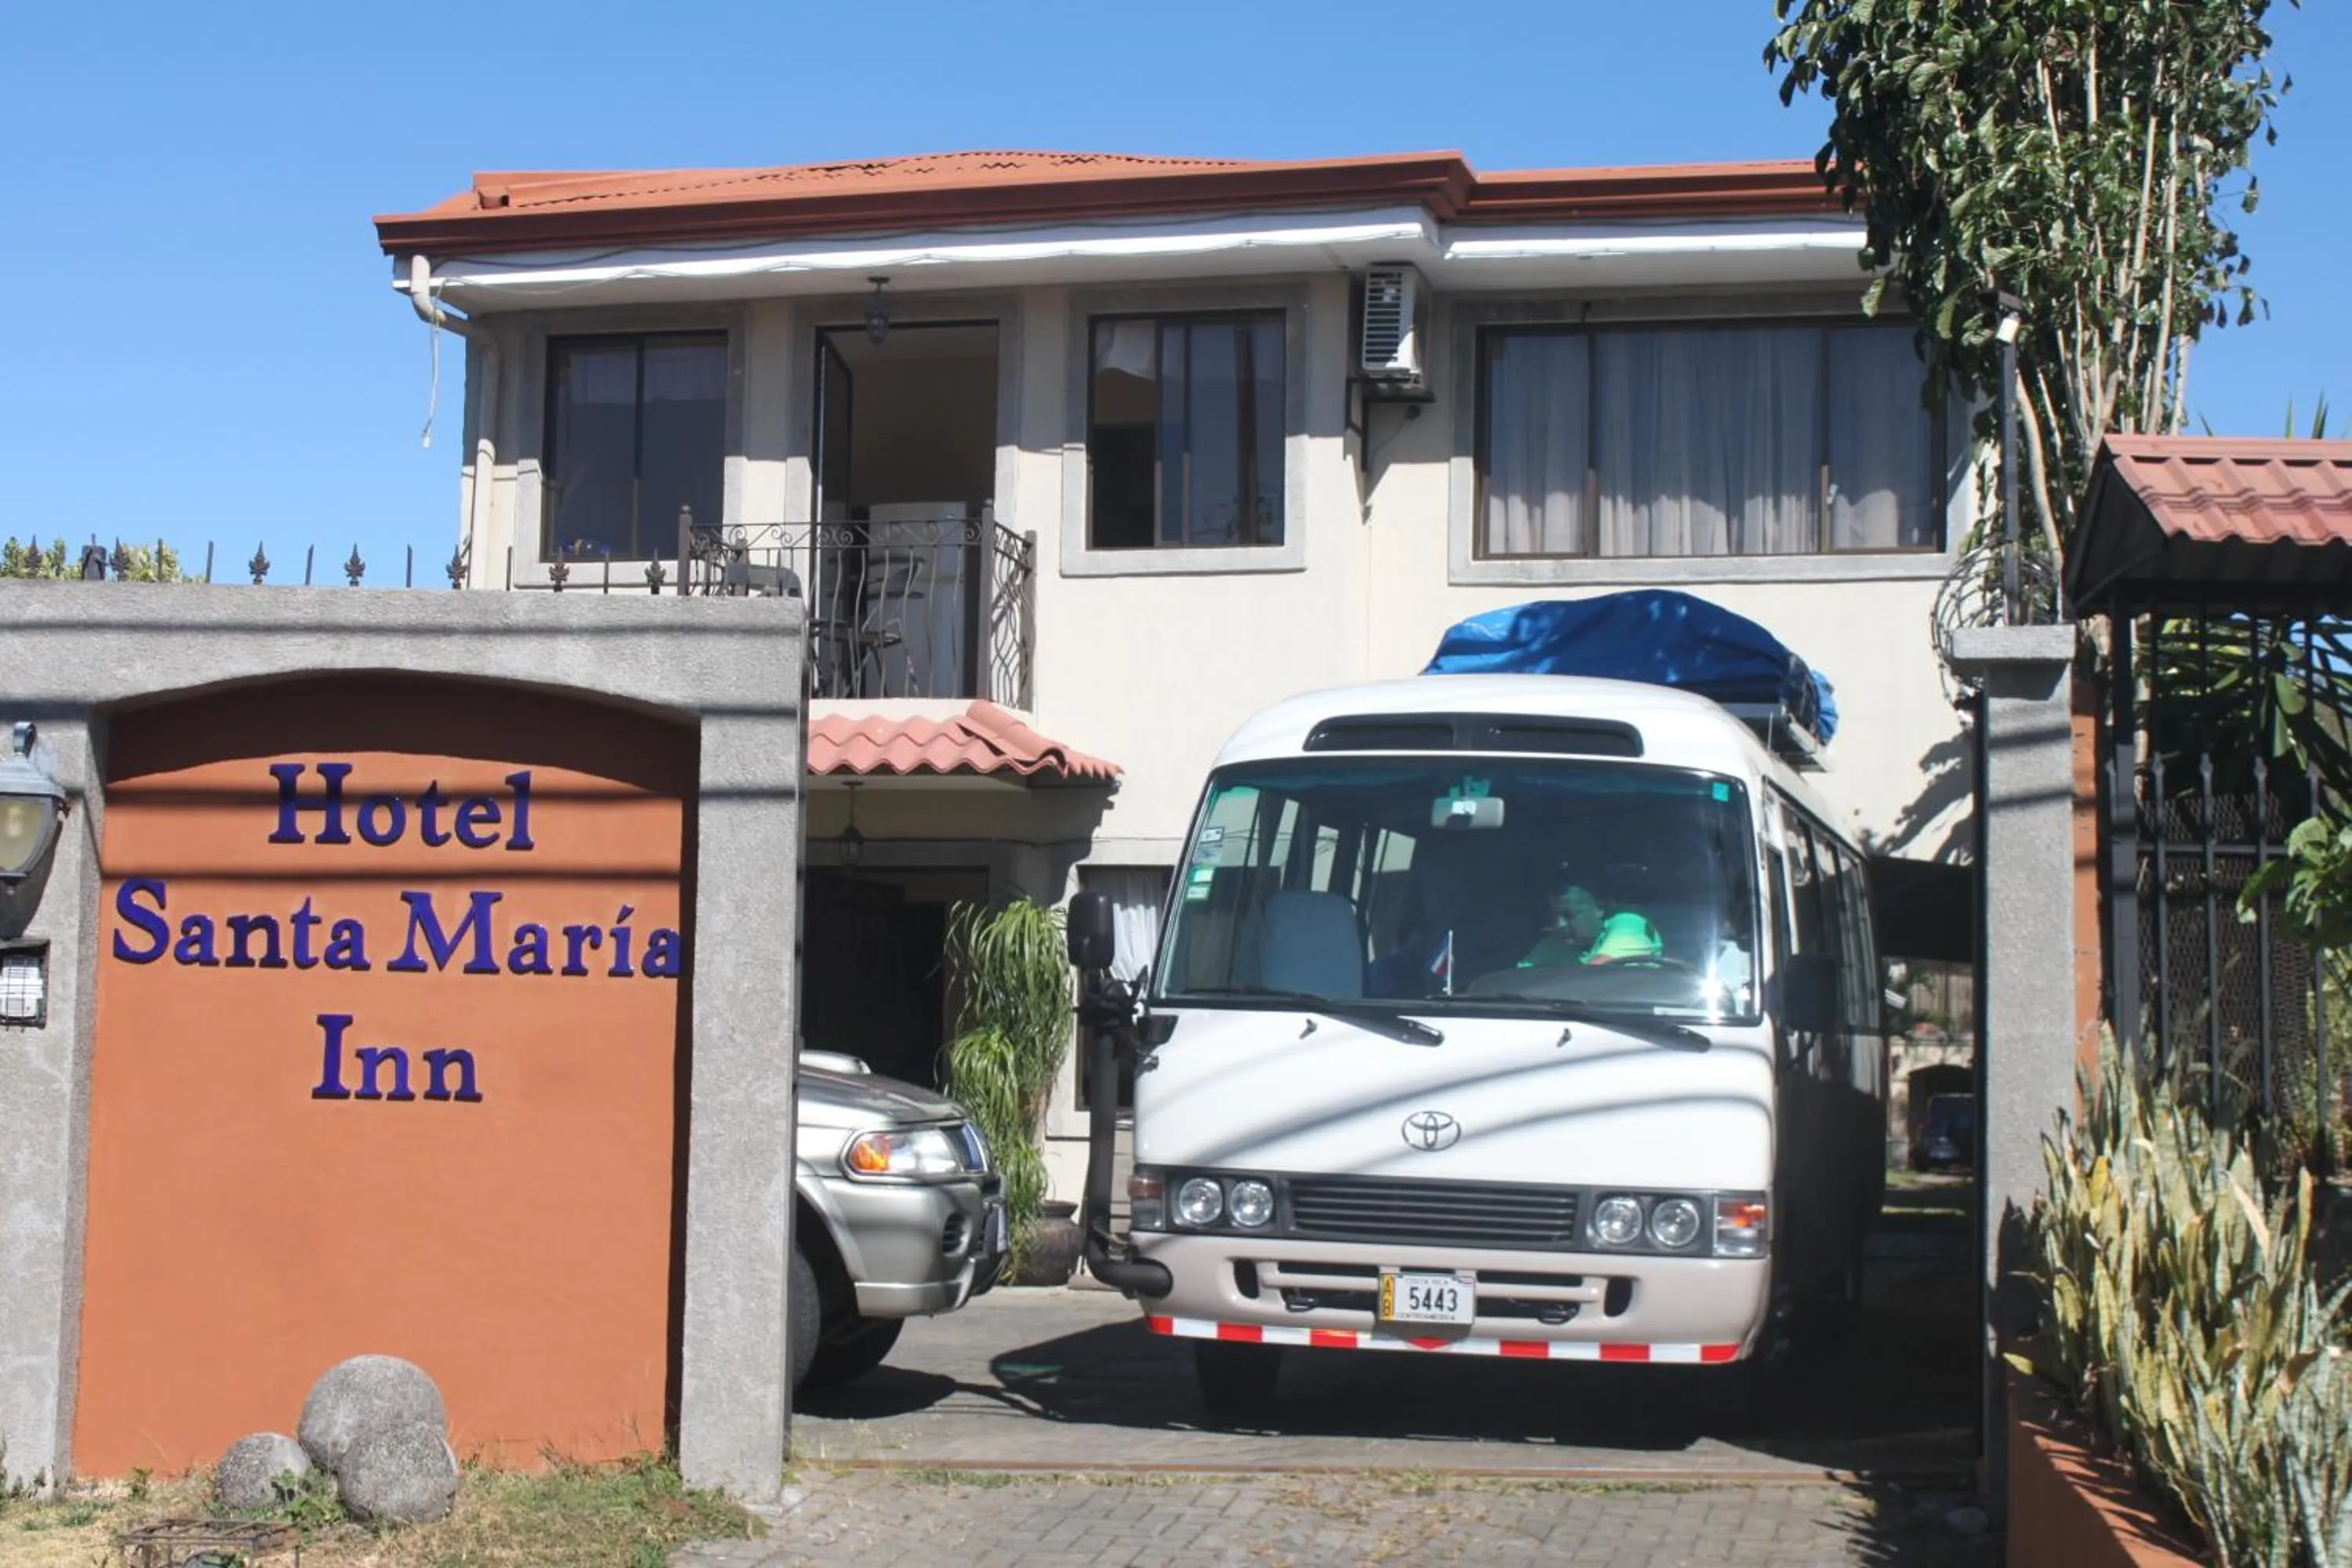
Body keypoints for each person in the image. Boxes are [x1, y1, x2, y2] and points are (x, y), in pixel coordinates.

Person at [1517, 877, 1664, 969]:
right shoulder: (1557, 942)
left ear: (1600, 908)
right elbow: (1522, 979)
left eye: (1569, 915)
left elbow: (1592, 975)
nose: (1560, 925)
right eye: (1555, 916)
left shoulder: (1629, 923)